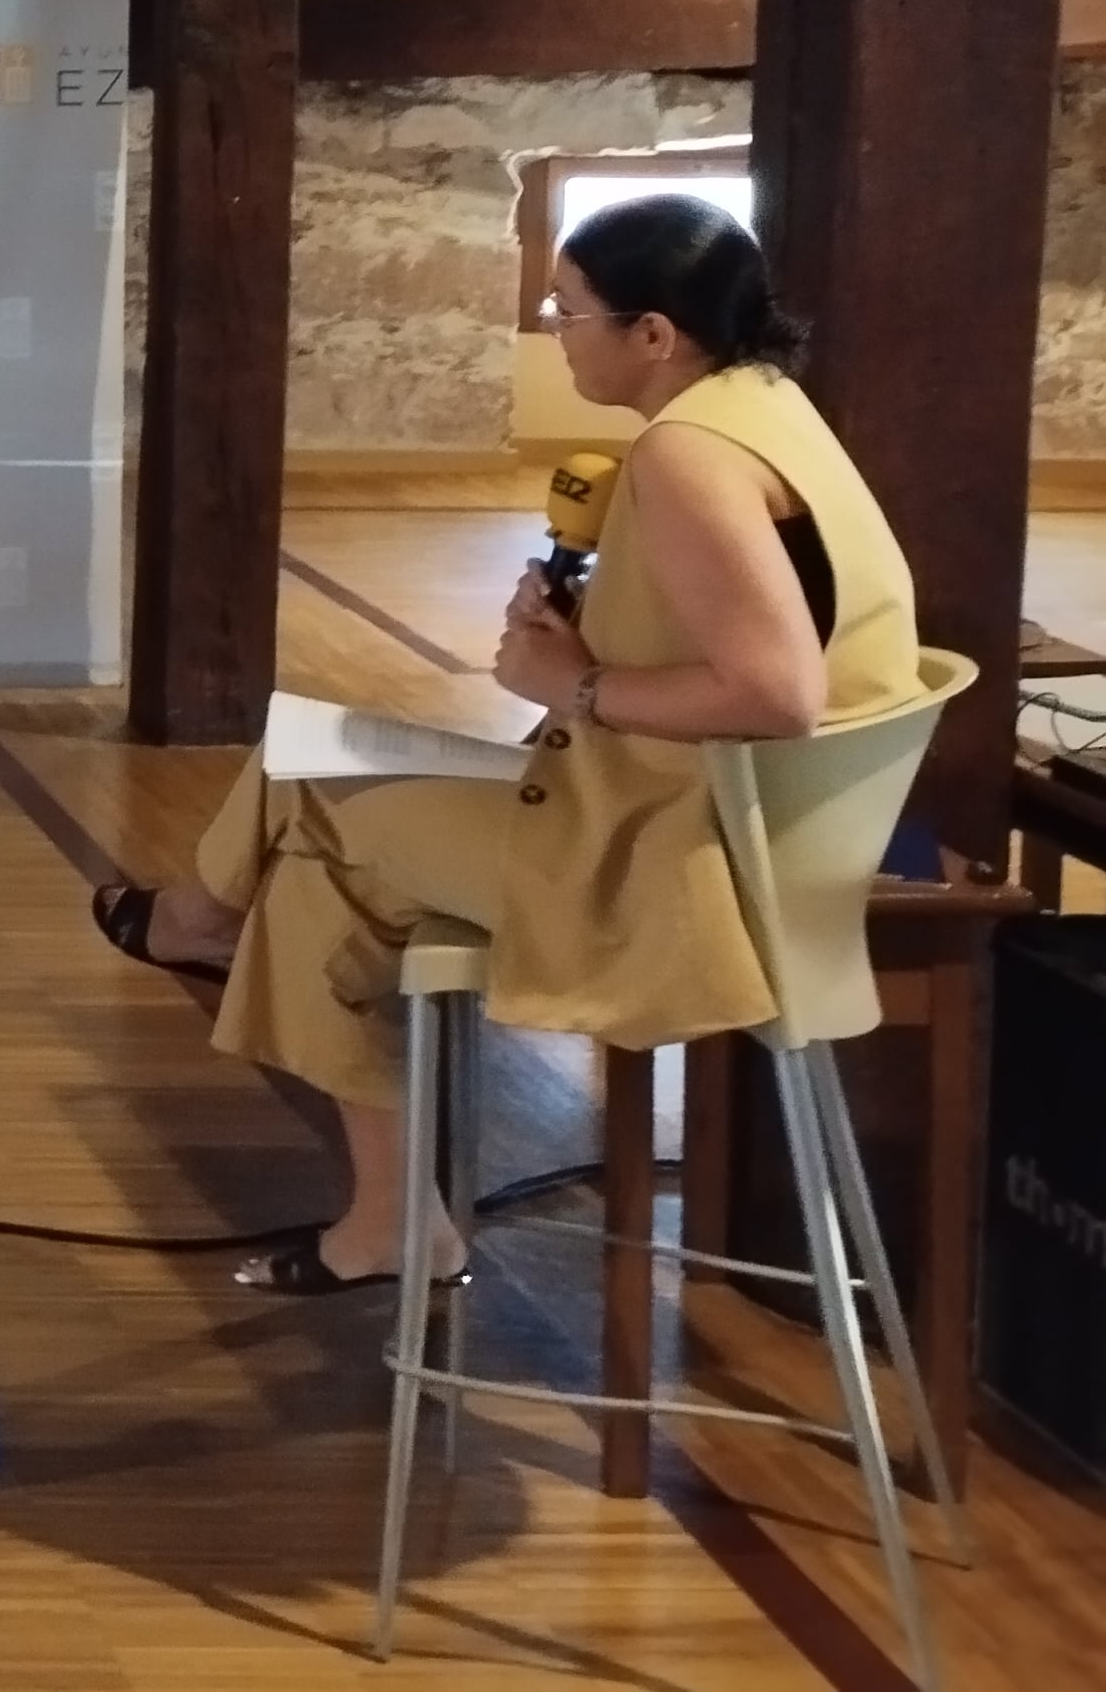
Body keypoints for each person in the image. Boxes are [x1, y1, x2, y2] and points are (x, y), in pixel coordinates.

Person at [92, 195, 927, 1295]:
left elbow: (778, 692)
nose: (549, 329)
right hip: (725, 831)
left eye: (565, 308)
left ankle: (206, 931)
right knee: (306, 793)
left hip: (671, 871)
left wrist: (571, 678)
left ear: (653, 336)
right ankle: (375, 1194)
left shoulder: (686, 457)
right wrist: (586, 641)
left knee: (308, 827)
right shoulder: (765, 407)